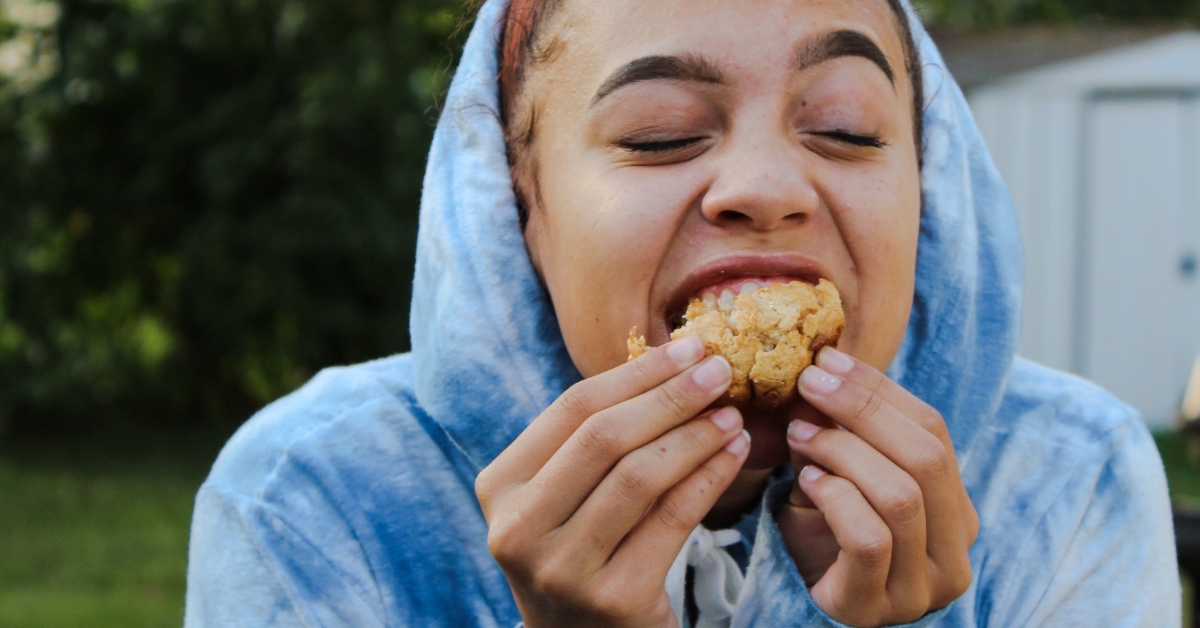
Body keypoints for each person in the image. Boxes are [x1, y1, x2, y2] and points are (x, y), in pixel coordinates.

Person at [184, 0, 1181, 626]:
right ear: (517, 206)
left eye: (843, 127)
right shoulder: (314, 498)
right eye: (660, 135)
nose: (763, 185)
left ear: (929, 187)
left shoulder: (1072, 475)